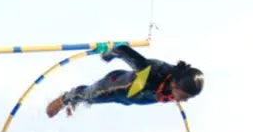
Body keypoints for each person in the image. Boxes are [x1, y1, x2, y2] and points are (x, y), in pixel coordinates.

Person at [46, 44, 204, 118]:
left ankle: (75, 104)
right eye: (184, 96)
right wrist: (107, 54)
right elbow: (123, 50)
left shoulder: (177, 84)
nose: (185, 101)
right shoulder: (152, 72)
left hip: (130, 99)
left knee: (90, 101)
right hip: (115, 86)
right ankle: (65, 98)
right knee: (88, 96)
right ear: (176, 84)